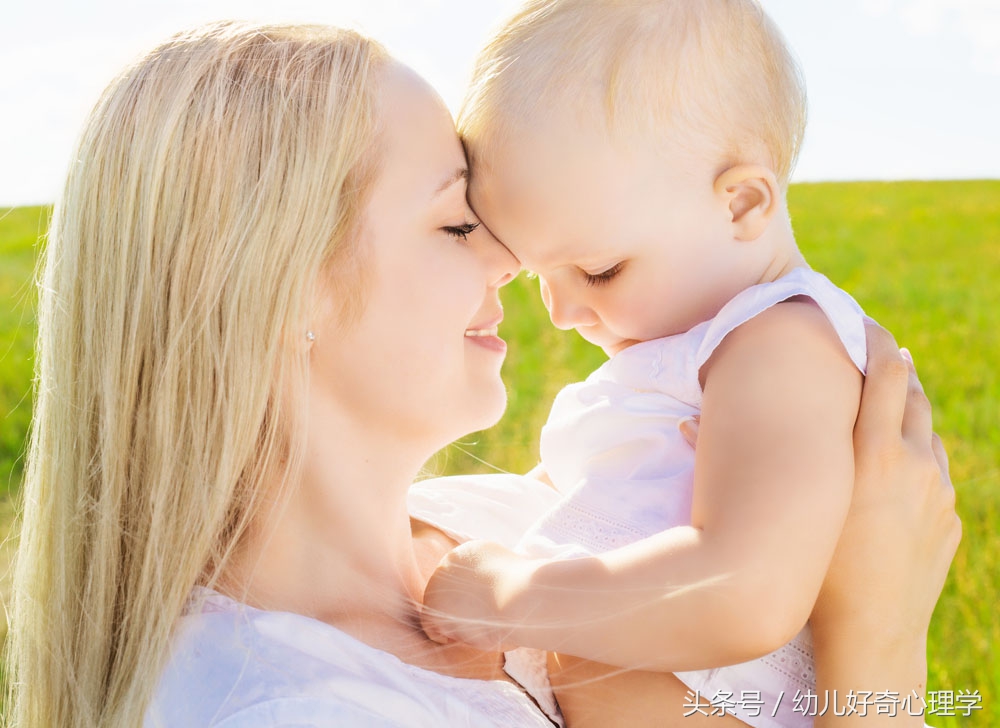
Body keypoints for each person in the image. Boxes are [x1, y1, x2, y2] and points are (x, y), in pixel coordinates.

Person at [5, 19, 958, 728]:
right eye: (462, 223)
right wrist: (875, 651)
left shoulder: (501, 529)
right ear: (277, 284)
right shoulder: (288, 705)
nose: (514, 266)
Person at [419, 1, 957, 726]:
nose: (561, 311)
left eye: (600, 270)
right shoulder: (697, 353)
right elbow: (603, 496)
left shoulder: (781, 347)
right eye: (538, 275)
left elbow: (750, 591)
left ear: (740, 205)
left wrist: (517, 599)